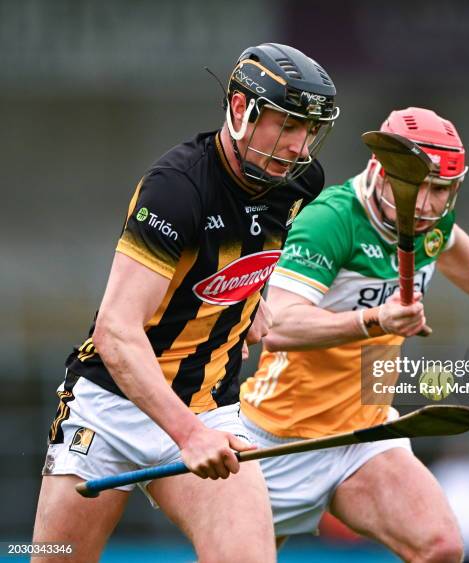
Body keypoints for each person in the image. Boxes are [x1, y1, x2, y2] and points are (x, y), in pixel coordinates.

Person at [33, 42, 339, 562]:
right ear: (241, 111)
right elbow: (115, 332)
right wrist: (188, 435)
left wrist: (251, 301)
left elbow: (254, 244)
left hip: (209, 406)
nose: (299, 146)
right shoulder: (175, 190)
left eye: (310, 130)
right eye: (287, 125)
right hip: (109, 408)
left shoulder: (300, 184)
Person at [241, 107, 469, 562]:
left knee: (440, 546)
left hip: (363, 432)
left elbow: (453, 246)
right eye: (418, 187)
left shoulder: (430, 220)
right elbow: (278, 327)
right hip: (278, 436)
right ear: (380, 172)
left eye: (441, 190)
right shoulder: (330, 220)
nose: (427, 204)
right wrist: (375, 321)